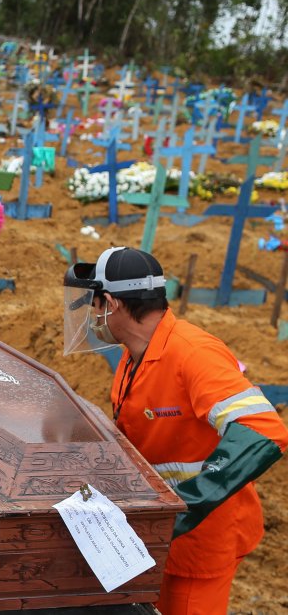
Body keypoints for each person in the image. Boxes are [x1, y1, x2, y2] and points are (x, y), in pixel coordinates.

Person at [63, 247, 288, 615]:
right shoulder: (135, 353)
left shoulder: (192, 353)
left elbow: (262, 428)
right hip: (159, 532)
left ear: (113, 303)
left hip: (201, 541)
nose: (93, 316)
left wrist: (188, 504)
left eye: (94, 305)